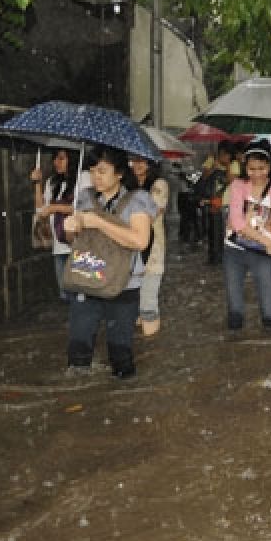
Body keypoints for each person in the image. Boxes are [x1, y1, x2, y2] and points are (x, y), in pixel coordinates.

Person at [62, 145, 155, 379]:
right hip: (87, 279)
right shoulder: (84, 198)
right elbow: (74, 240)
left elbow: (140, 241)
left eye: (102, 171)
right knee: (78, 348)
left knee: (120, 352)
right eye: (92, 171)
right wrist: (69, 229)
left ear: (120, 172)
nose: (96, 177)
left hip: (123, 285)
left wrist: (99, 222)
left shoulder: (138, 200)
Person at [223, 139, 271, 330]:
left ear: (270, 165)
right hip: (234, 250)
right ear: (245, 166)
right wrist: (267, 241)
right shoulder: (238, 185)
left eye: (262, 168)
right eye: (252, 169)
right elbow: (236, 222)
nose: (257, 174)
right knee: (235, 310)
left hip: (263, 254)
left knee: (269, 311)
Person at [30, 148, 77, 303]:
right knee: (64, 291)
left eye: (61, 158)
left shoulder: (82, 179)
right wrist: (37, 183)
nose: (56, 162)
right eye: (55, 158)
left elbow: (80, 209)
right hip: (59, 245)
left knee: (80, 289)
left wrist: (54, 208)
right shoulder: (53, 182)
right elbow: (40, 208)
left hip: (77, 244)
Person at [129, 154, 168, 336]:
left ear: (151, 163)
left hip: (153, 251)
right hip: (130, 249)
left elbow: (152, 212)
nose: (137, 164)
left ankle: (152, 348)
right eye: (134, 160)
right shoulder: (127, 186)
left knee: (148, 304)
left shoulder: (159, 185)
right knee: (132, 306)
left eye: (142, 160)